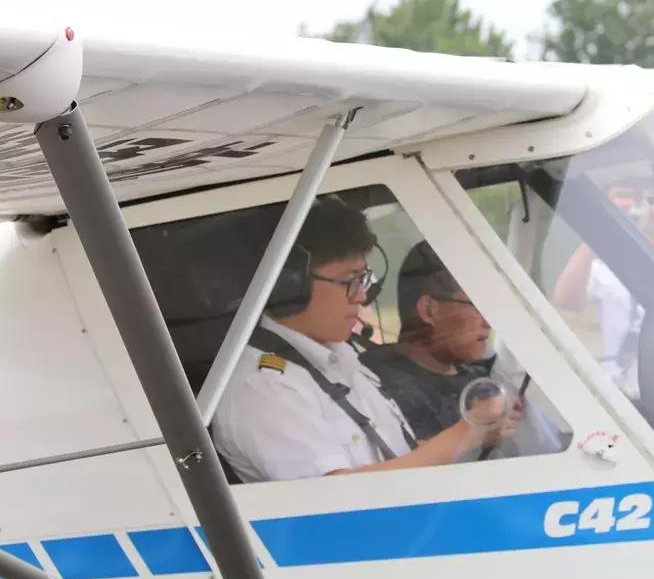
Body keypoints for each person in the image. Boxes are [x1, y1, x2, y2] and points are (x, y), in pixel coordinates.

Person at [213, 197, 516, 483]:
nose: (360, 296)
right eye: (349, 281)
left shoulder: (339, 359)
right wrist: (466, 433)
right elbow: (340, 497)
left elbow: (396, 457)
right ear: (289, 283)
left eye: (364, 279)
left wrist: (476, 432)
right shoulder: (263, 387)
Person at [360, 241, 502, 442]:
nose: (488, 322)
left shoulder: (482, 376)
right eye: (476, 305)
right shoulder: (379, 386)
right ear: (429, 310)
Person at [552, 182, 654, 398]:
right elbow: (566, 300)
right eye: (621, 196)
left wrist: (651, 225)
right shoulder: (601, 269)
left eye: (637, 198)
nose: (629, 204)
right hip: (619, 390)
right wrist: (596, 233)